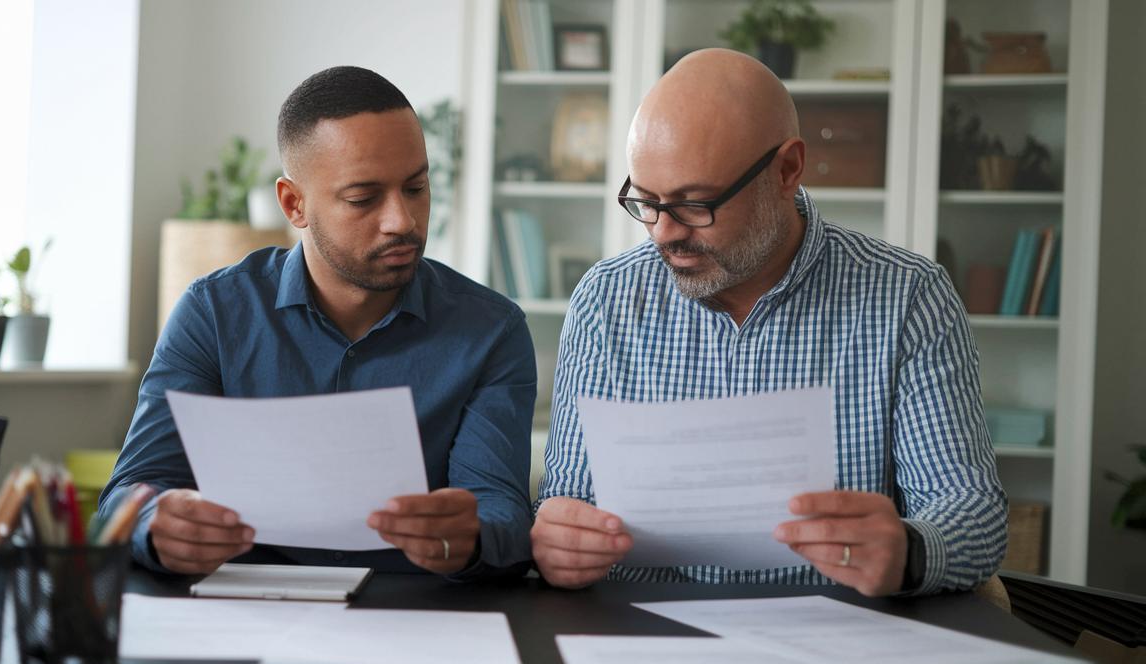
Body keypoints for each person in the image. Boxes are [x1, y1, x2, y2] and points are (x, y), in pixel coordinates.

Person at [531, 49, 1006, 597]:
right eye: (647, 202)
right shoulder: (606, 299)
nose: (663, 232)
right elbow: (565, 502)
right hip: (641, 628)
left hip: (835, 628)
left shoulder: (907, 298)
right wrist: (557, 538)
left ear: (786, 170)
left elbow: (970, 511)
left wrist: (910, 551)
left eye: (694, 204)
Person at [99, 66, 536, 579]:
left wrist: (472, 537)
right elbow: (131, 492)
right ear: (294, 204)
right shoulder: (213, 313)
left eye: (416, 187)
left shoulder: (492, 330)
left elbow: (501, 510)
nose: (402, 220)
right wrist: (157, 523)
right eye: (363, 199)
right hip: (243, 605)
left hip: (416, 606)